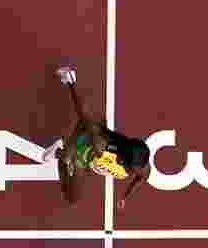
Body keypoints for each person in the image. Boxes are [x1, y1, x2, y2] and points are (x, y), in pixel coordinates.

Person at [42, 66, 152, 210]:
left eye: (138, 168)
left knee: (71, 199)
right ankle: (62, 154)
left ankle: (62, 151)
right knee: (71, 190)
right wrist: (72, 85)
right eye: (133, 167)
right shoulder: (103, 148)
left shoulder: (143, 169)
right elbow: (86, 120)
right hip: (86, 147)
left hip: (94, 157)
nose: (135, 171)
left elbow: (141, 178)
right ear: (123, 157)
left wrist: (125, 196)